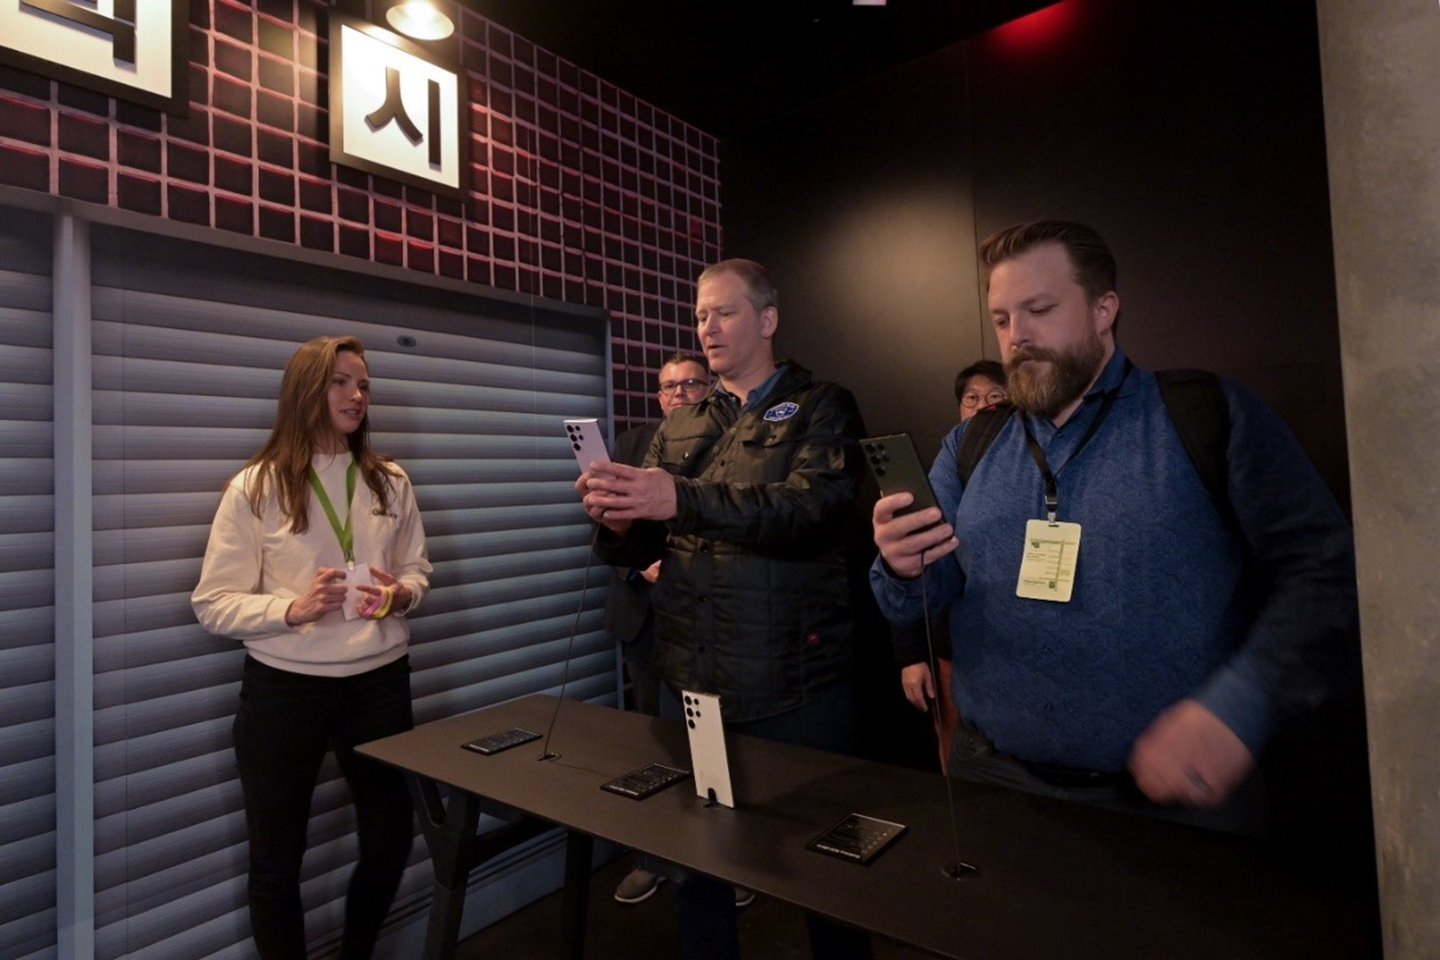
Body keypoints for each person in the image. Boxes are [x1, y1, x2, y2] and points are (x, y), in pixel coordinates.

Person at [871, 221, 1358, 835]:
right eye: (1001, 319)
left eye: (1040, 310)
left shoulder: (1206, 416)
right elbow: (918, 593)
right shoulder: (971, 441)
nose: (1018, 336)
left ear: (1104, 310)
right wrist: (901, 565)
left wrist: (1243, 706)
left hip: (1172, 807)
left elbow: (1328, 573)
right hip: (992, 783)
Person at [577, 259, 873, 959]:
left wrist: (677, 498)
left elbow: (812, 510)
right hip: (695, 680)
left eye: (724, 312)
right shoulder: (682, 422)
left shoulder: (822, 405)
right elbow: (649, 544)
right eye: (700, 315)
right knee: (699, 862)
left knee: (829, 874)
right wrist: (619, 524)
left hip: (796, 684)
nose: (707, 327)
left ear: (767, 320)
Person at [192, 335, 431, 959]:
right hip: (285, 690)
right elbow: (212, 603)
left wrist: (400, 595)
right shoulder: (256, 486)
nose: (357, 396)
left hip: (379, 681)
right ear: (306, 391)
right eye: (341, 383)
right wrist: (291, 609)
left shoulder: (390, 481)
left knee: (390, 840)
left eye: (364, 385)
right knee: (276, 861)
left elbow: (417, 571)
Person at [606, 351, 709, 905]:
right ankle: (653, 857)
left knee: (710, 744)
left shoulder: (725, 443)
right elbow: (606, 522)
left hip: (706, 620)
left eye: (690, 384)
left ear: (708, 389)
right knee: (652, 741)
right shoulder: (630, 444)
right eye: (669, 386)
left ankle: (719, 865)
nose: (678, 394)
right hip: (643, 615)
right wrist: (639, 564)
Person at [894, 359, 1009, 771]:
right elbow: (908, 564)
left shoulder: (1029, 467)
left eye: (995, 397)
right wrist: (911, 655)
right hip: (949, 650)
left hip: (1010, 650)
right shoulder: (941, 469)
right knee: (957, 761)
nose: (981, 407)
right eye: (971, 398)